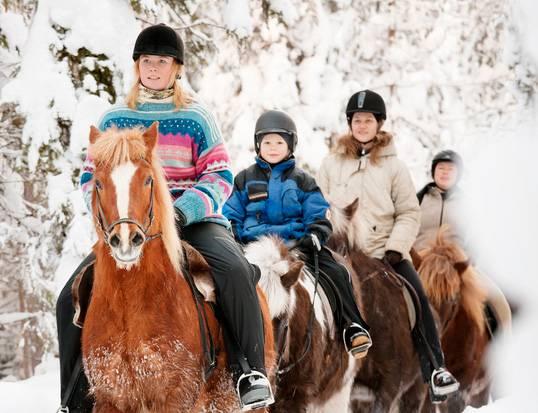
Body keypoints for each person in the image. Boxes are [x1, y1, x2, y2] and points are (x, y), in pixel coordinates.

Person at [56, 23, 273, 412]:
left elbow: (220, 175)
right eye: (147, 61)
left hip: (192, 218)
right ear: (137, 66)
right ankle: (74, 395)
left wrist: (183, 210)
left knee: (236, 272)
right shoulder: (114, 119)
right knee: (68, 296)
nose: (153, 68)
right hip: (129, 222)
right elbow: (92, 177)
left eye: (162, 61)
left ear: (177, 68)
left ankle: (249, 371)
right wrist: (111, 216)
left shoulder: (196, 117)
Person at [317, 89, 460, 402]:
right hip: (340, 255)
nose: (363, 126)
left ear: (379, 123)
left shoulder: (395, 167)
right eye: (357, 120)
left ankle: (435, 369)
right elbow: (318, 206)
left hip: (385, 253)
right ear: (350, 123)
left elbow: (409, 212)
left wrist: (396, 247)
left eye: (368, 120)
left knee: (417, 298)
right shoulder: (331, 164)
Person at [223, 110, 372, 359]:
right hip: (254, 249)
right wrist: (235, 237)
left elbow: (318, 214)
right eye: (267, 142)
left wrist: (315, 233)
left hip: (296, 246)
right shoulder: (244, 179)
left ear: (290, 145)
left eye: (279, 142)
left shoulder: (303, 180)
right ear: (258, 145)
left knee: (337, 269)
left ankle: (351, 326)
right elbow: (231, 214)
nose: (272, 148)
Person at [414, 150, 512, 334]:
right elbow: (407, 227)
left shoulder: (469, 204)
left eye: (451, 169)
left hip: (458, 263)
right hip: (420, 261)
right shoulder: (417, 199)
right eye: (441, 168)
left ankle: (503, 344)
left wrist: (470, 258)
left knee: (498, 300)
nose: (445, 172)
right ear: (433, 171)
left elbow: (479, 235)